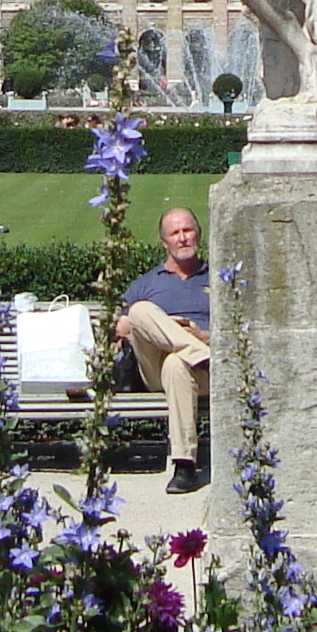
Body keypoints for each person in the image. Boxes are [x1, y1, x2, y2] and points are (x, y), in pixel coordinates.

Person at [117, 205, 213, 493]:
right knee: (140, 311)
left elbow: (242, 329)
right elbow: (122, 328)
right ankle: (198, 352)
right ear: (164, 241)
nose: (183, 238)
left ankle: (184, 467)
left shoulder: (217, 278)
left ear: (198, 235)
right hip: (153, 367)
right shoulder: (147, 283)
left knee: (176, 363)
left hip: (199, 374)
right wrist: (162, 327)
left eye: (188, 230)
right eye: (175, 233)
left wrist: (205, 334)